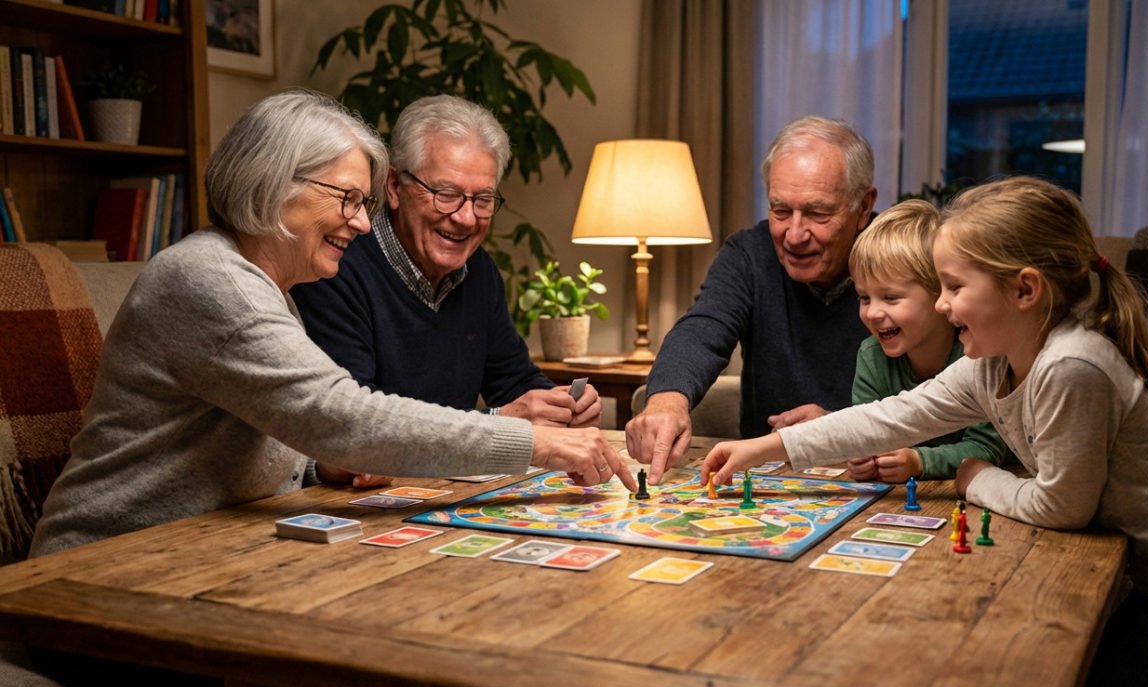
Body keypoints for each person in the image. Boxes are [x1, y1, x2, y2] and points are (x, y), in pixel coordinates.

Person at [699, 176, 1148, 687]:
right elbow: (891, 416)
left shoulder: (1072, 366)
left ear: (1024, 290)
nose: (943, 304)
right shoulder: (992, 361)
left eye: (953, 286)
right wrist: (764, 449)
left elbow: (1062, 507)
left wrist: (974, 477)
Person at [30, 89, 633, 559]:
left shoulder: (270, 283)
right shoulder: (209, 279)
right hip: (101, 567)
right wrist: (532, 441)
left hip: (195, 548)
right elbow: (342, 415)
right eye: (348, 199)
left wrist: (322, 467)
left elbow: (274, 437)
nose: (363, 223)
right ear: (274, 187)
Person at [291, 95, 599, 428]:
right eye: (446, 195)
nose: (466, 218)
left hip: (447, 479)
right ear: (394, 186)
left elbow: (513, 383)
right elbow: (355, 423)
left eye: (482, 199)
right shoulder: (335, 268)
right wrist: (497, 420)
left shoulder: (478, 271)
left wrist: (564, 405)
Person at [626, 116, 878, 482]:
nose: (793, 234)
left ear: (863, 207)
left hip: (877, 477)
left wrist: (840, 429)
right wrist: (667, 401)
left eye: (817, 213)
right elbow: (702, 329)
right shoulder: (749, 254)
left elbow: (937, 398)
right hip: (764, 481)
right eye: (780, 210)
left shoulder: (900, 257)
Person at [845, 199, 1006, 481]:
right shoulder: (870, 356)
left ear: (939, 293)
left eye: (890, 297)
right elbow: (864, 431)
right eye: (864, 297)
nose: (872, 312)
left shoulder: (981, 354)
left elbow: (986, 447)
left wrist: (920, 461)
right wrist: (862, 457)